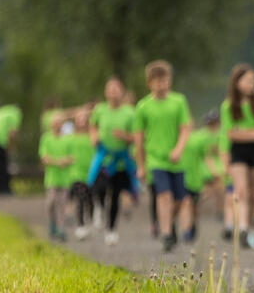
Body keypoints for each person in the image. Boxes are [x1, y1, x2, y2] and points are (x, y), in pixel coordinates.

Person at [134, 60, 192, 253]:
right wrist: (141, 166)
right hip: (155, 159)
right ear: (149, 83)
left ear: (170, 81)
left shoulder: (179, 101)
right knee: (163, 195)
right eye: (156, 81)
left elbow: (185, 129)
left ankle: (169, 222)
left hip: (176, 159)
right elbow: (139, 139)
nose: (161, 84)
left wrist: (179, 149)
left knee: (179, 200)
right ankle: (166, 234)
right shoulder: (143, 107)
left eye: (164, 80)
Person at [220, 63, 254, 250]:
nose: (251, 84)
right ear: (237, 82)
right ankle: (242, 227)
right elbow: (230, 134)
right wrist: (251, 132)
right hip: (237, 153)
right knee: (241, 191)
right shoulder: (228, 106)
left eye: (253, 81)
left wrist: (243, 132)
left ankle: (248, 228)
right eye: (248, 80)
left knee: (252, 192)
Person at [88, 77, 138, 245]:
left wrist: (124, 136)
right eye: (110, 89)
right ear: (106, 92)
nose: (114, 92)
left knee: (115, 195)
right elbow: (92, 126)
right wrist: (94, 137)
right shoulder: (100, 110)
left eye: (117, 89)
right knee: (99, 188)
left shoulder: (130, 113)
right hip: (104, 157)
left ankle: (111, 230)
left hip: (121, 160)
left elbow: (137, 137)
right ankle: (98, 208)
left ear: (122, 92)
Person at [181, 110, 222, 243]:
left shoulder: (199, 138)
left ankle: (192, 226)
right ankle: (185, 231)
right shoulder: (174, 137)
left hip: (196, 177)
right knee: (185, 203)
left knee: (194, 207)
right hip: (181, 174)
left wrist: (214, 171)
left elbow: (207, 156)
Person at [39, 112, 72, 241]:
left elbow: (72, 157)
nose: (57, 125)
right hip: (51, 178)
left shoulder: (68, 139)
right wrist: (58, 162)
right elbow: (44, 157)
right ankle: (52, 224)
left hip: (64, 178)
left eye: (59, 122)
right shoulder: (46, 138)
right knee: (51, 203)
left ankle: (61, 228)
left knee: (62, 204)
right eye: (55, 122)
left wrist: (65, 161)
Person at [66, 108, 96, 241]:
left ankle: (91, 218)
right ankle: (80, 226)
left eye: (84, 119)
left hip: (90, 173)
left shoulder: (92, 137)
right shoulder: (70, 138)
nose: (82, 121)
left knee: (90, 199)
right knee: (81, 198)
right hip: (75, 173)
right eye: (79, 119)